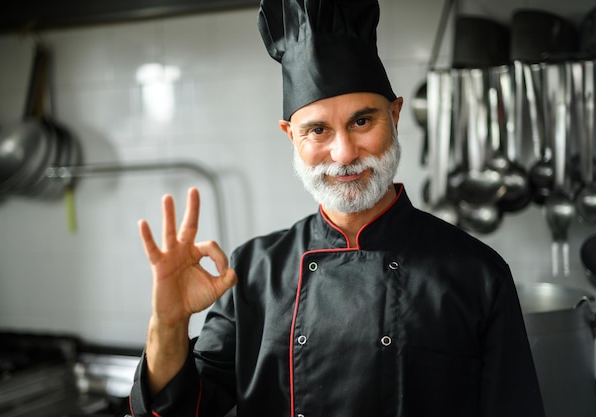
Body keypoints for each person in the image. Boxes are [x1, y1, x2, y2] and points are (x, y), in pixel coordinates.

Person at [129, 0, 546, 416]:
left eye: (362, 122)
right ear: (291, 136)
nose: (344, 153)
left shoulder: (477, 274)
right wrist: (167, 324)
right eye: (318, 130)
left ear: (395, 116)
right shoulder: (253, 271)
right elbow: (180, 409)